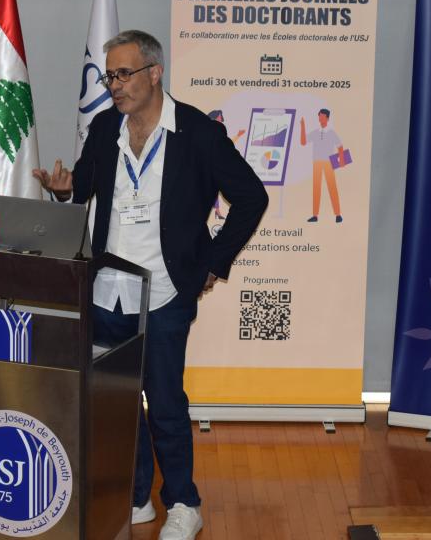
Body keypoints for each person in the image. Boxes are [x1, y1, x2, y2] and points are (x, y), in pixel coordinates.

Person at [33, 30, 267, 540]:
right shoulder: (104, 129)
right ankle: (136, 495)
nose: (114, 85)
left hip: (164, 291)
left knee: (164, 403)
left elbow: (252, 197)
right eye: (109, 76)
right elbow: (84, 188)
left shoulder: (198, 133)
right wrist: (65, 190)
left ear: (155, 73)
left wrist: (213, 261)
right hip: (107, 289)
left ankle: (183, 503)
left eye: (124, 73)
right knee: (114, 399)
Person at [299, 108, 345, 223]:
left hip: (329, 162)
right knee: (316, 188)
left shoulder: (331, 133)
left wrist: (342, 160)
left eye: (322, 116)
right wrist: (303, 126)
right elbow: (303, 142)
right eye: (319, 116)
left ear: (327, 118)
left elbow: (340, 146)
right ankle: (315, 215)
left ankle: (338, 214)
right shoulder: (315, 132)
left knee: (332, 187)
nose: (320, 118)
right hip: (317, 162)